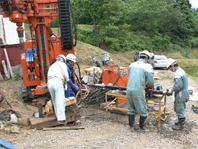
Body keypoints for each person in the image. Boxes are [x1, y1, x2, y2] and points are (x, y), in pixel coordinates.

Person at [127, 50, 154, 132]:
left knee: (131, 108)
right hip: (138, 89)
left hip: (129, 89)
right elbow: (150, 81)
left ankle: (131, 126)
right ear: (147, 58)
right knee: (142, 109)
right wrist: (151, 87)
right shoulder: (147, 66)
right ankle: (142, 128)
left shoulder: (132, 64)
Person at [166, 58, 189, 130]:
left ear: (172, 66)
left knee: (179, 108)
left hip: (181, 93)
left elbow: (179, 85)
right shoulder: (180, 70)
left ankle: (181, 125)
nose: (170, 70)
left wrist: (171, 90)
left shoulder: (177, 73)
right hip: (183, 92)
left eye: (169, 68)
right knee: (179, 107)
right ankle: (180, 122)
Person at [47, 54, 69, 125]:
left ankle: (58, 117)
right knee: (60, 100)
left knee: (54, 100)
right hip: (57, 82)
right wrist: (67, 80)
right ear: (63, 60)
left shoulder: (52, 66)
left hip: (50, 83)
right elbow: (66, 75)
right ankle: (62, 119)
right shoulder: (62, 65)